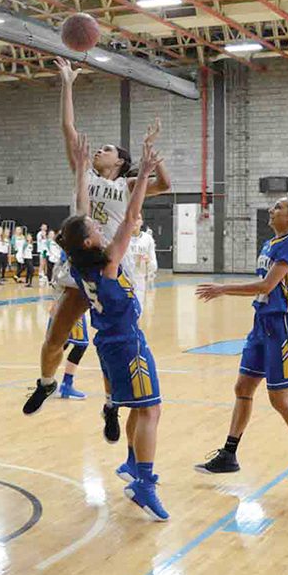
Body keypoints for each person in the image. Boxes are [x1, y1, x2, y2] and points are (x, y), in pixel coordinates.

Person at [23, 57, 171, 433]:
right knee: (56, 334)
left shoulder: (125, 184)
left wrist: (148, 152)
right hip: (80, 264)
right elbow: (68, 127)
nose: (99, 150)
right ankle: (46, 383)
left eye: (107, 148)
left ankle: (110, 404)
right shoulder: (85, 174)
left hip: (110, 266)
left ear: (121, 161)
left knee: (112, 340)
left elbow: (165, 185)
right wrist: (68, 84)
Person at [58, 134, 168, 520]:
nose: (101, 227)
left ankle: (133, 464)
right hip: (125, 343)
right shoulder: (108, 262)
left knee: (139, 409)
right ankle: (144, 481)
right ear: (91, 239)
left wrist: (82, 176)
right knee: (151, 410)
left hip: (110, 342)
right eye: (95, 228)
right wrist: (145, 172)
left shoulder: (79, 262)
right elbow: (131, 213)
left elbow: (83, 210)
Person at [194, 196, 288, 493]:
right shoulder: (270, 244)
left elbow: (266, 286)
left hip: (283, 326)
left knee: (279, 399)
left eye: (278, 208)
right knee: (243, 388)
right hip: (262, 324)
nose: (271, 211)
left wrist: (222, 288)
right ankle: (229, 454)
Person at [129, 214, 158, 309]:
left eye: (138, 218)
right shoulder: (122, 237)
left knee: (138, 311)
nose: (135, 221)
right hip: (123, 280)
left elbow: (154, 266)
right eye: (133, 218)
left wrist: (148, 260)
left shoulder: (147, 239)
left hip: (139, 280)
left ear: (142, 222)